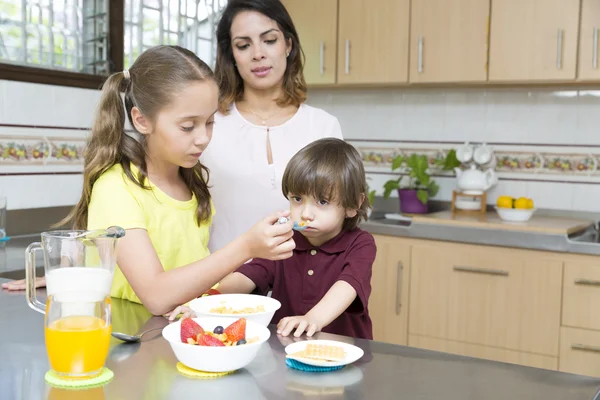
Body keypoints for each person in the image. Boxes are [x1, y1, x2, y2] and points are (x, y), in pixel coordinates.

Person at [2, 45, 295, 316]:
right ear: (142, 120)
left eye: (209, 122)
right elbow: (156, 296)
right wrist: (246, 247)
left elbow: (193, 281)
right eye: (188, 126)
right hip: (133, 340)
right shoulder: (116, 187)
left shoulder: (191, 183)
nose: (203, 137)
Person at [201, 0, 343, 254]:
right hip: (223, 284)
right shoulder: (208, 124)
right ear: (231, 55)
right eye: (243, 45)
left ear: (288, 45)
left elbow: (336, 217)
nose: (258, 54)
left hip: (300, 284)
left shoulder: (323, 126)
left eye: (269, 40)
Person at [216, 138, 376, 339]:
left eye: (322, 201)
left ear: (353, 205)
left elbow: (348, 286)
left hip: (343, 355)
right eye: (297, 199)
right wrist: (209, 302)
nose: (306, 213)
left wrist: (313, 319)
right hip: (287, 352)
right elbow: (247, 277)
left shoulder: (361, 244)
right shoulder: (285, 239)